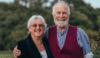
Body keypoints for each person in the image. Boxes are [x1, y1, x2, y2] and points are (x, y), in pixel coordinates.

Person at [13, 1, 93, 58]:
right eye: (58, 13)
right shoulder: (47, 32)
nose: (61, 16)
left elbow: (88, 55)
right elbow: (33, 41)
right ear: (53, 15)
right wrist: (17, 50)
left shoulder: (79, 33)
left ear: (68, 15)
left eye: (64, 13)